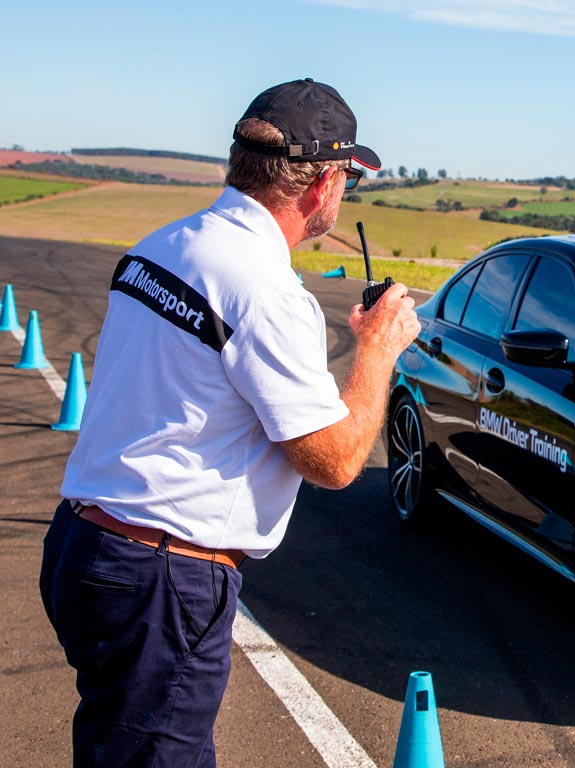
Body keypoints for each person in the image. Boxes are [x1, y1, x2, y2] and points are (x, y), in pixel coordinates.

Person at [39, 78, 421, 767]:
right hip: (160, 578)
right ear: (322, 185)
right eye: (347, 180)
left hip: (85, 546)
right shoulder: (267, 292)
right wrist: (377, 350)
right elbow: (334, 462)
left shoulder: (164, 245)